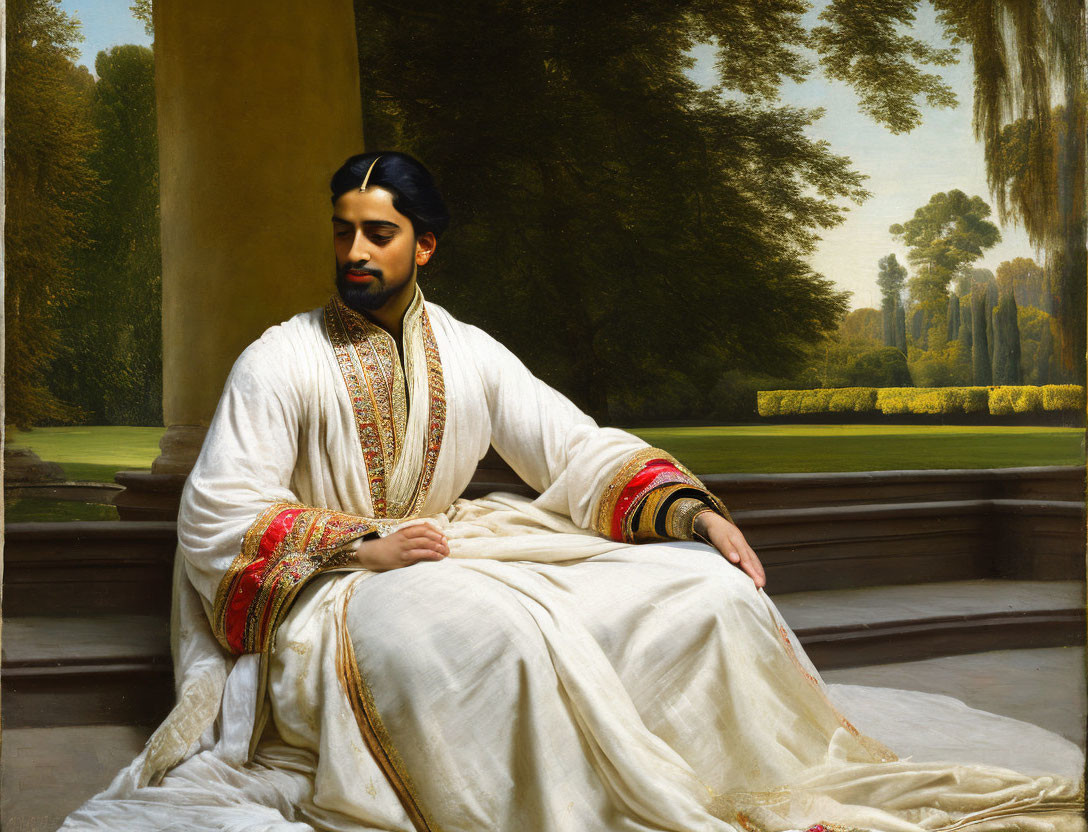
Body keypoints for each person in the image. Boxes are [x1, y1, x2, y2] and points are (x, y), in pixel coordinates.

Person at [62, 152, 1083, 832]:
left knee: (702, 591)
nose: (354, 254)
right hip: (333, 588)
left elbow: (571, 443)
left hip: (458, 547)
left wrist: (695, 513)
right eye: (343, 232)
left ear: (425, 245)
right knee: (491, 639)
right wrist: (356, 547)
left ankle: (725, 774)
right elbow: (219, 514)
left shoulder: (465, 348)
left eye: (377, 234)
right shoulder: (279, 356)